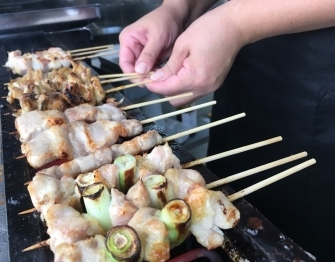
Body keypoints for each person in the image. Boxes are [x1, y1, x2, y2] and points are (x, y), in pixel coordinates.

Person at [118, 1, 335, 261]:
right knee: (220, 210)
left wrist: (235, 24)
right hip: (244, 64)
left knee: (298, 238)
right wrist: (179, 9)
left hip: (318, 86)